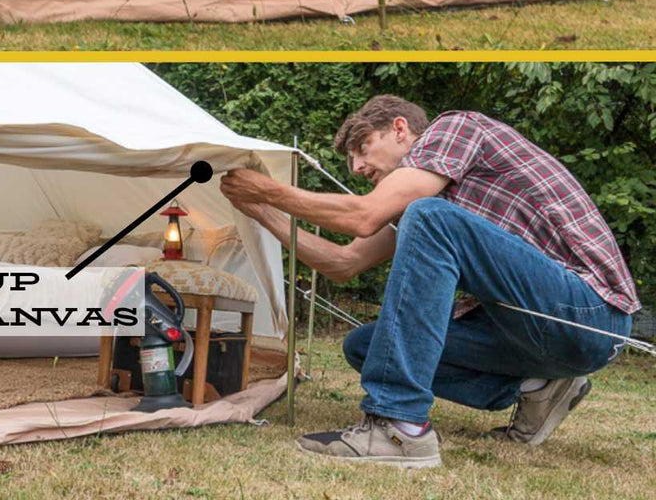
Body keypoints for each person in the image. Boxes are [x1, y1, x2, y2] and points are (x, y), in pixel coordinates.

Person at [220, 95, 638, 469]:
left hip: (591, 312)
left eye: (363, 149)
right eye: (352, 163)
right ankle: (540, 384)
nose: (358, 167)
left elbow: (363, 215)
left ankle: (400, 427)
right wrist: (263, 213)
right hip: (538, 337)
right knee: (366, 347)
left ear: (400, 128)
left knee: (429, 216)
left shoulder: (455, 128)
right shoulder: (428, 206)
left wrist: (271, 190)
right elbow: (343, 263)